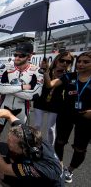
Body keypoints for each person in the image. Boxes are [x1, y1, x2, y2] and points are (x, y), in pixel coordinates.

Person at [0, 108, 64, 187]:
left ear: (24, 149)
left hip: (45, 183)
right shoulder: (26, 133)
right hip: (41, 172)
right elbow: (8, 114)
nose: (7, 143)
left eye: (10, 144)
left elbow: (3, 168)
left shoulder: (34, 168)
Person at [42, 51, 91, 183]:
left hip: (86, 118)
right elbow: (50, 85)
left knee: (80, 148)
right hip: (66, 114)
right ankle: (60, 165)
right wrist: (46, 72)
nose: (81, 64)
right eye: (79, 61)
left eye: (86, 62)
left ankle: (70, 170)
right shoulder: (69, 76)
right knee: (60, 142)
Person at [0, 42, 43, 143]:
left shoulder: (36, 71)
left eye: (21, 55)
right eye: (15, 54)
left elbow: (33, 95)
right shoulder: (6, 68)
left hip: (22, 109)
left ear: (29, 56)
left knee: (19, 137)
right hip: (3, 105)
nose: (17, 57)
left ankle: (13, 158)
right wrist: (22, 87)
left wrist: (9, 89)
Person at [33, 52, 74, 145]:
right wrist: (42, 69)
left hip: (56, 103)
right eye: (62, 60)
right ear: (57, 60)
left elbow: (49, 85)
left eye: (68, 62)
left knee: (51, 129)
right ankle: (35, 144)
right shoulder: (46, 69)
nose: (64, 63)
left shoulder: (68, 75)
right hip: (40, 101)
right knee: (37, 125)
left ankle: (50, 149)